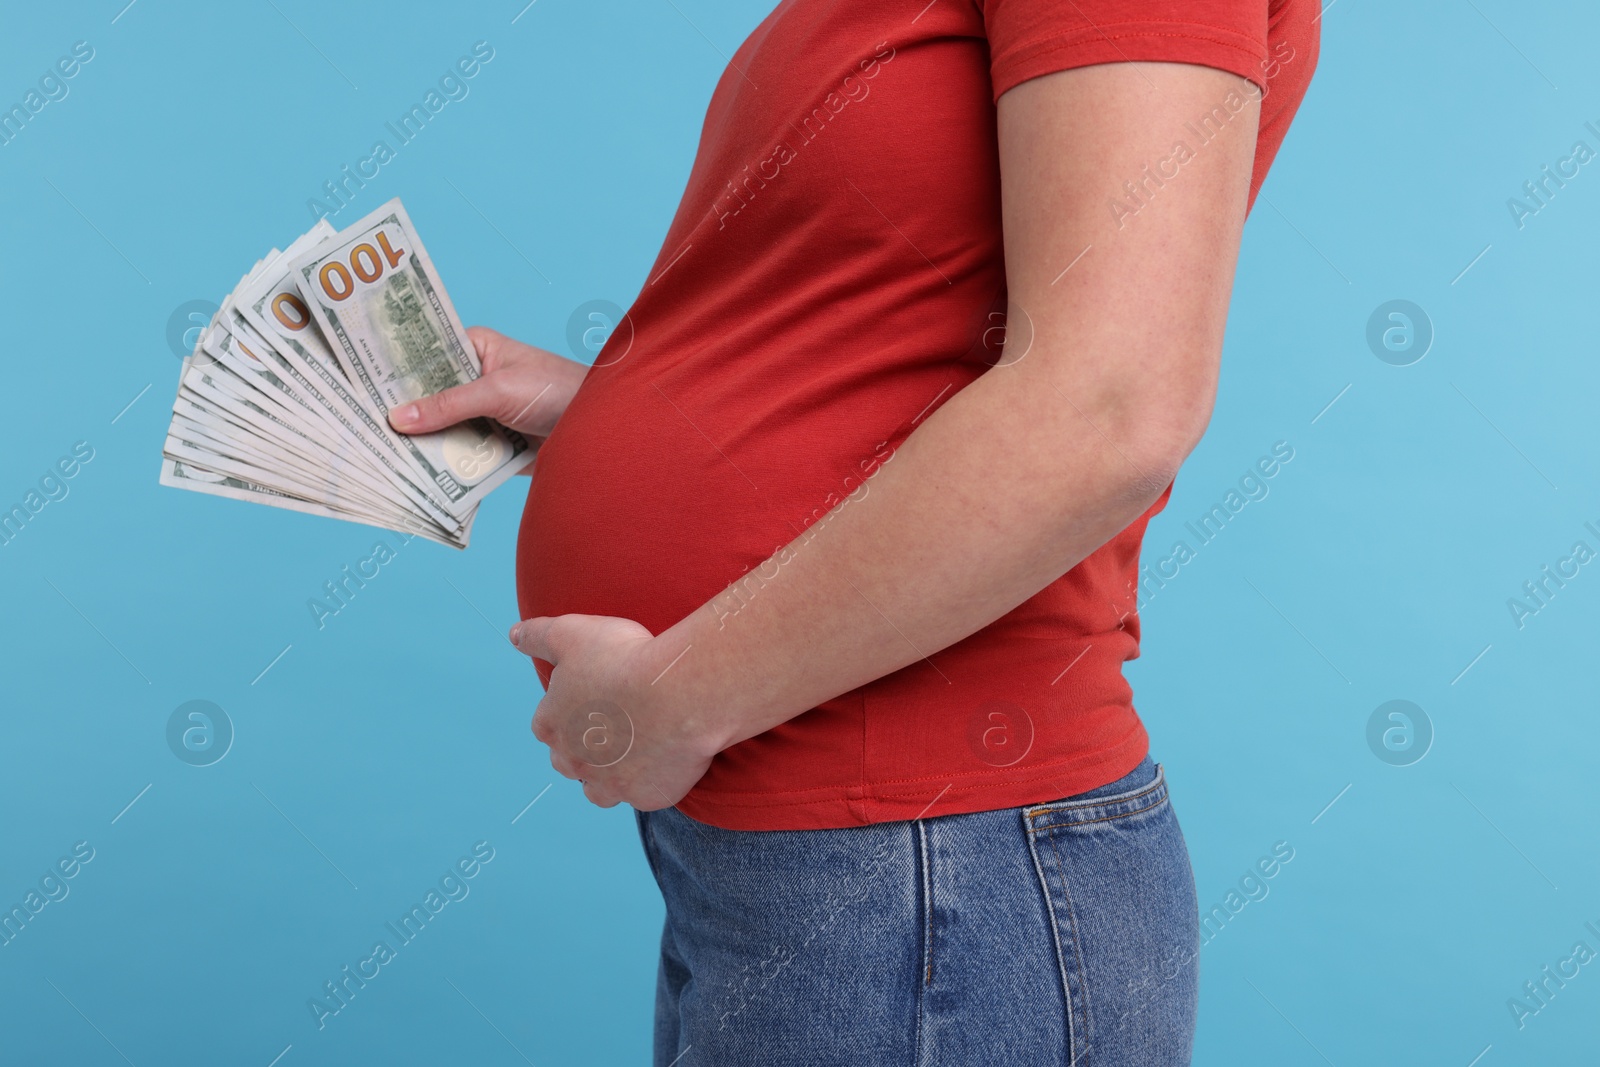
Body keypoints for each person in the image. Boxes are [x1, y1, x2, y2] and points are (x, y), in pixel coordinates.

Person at [389, 1, 1318, 1062]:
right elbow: (885, 332)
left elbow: (1107, 413)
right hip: (822, 863)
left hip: (925, 869)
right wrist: (603, 414)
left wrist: (678, 697)